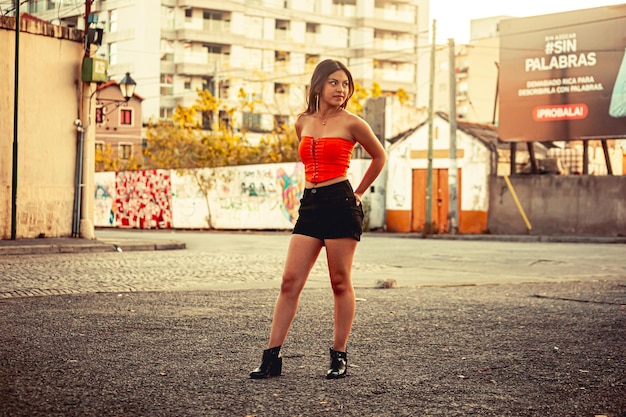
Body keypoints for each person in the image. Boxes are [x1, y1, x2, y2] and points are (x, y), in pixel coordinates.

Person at [250, 59, 387, 380]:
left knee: (340, 283)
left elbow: (380, 155)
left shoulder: (353, 123)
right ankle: (271, 358)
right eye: (334, 83)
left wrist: (360, 192)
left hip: (340, 202)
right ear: (318, 86)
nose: (341, 90)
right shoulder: (303, 122)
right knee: (289, 282)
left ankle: (339, 356)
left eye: (345, 84)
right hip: (310, 205)